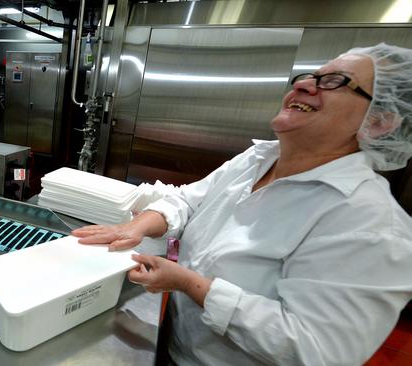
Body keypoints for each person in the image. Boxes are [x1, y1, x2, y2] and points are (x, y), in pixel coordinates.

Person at [73, 43, 412, 365]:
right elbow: (189, 200)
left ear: (380, 122)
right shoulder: (259, 158)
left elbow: (316, 350)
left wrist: (191, 284)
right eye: (309, 76)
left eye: (335, 81)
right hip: (174, 346)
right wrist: (136, 226)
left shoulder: (372, 224)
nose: (307, 85)